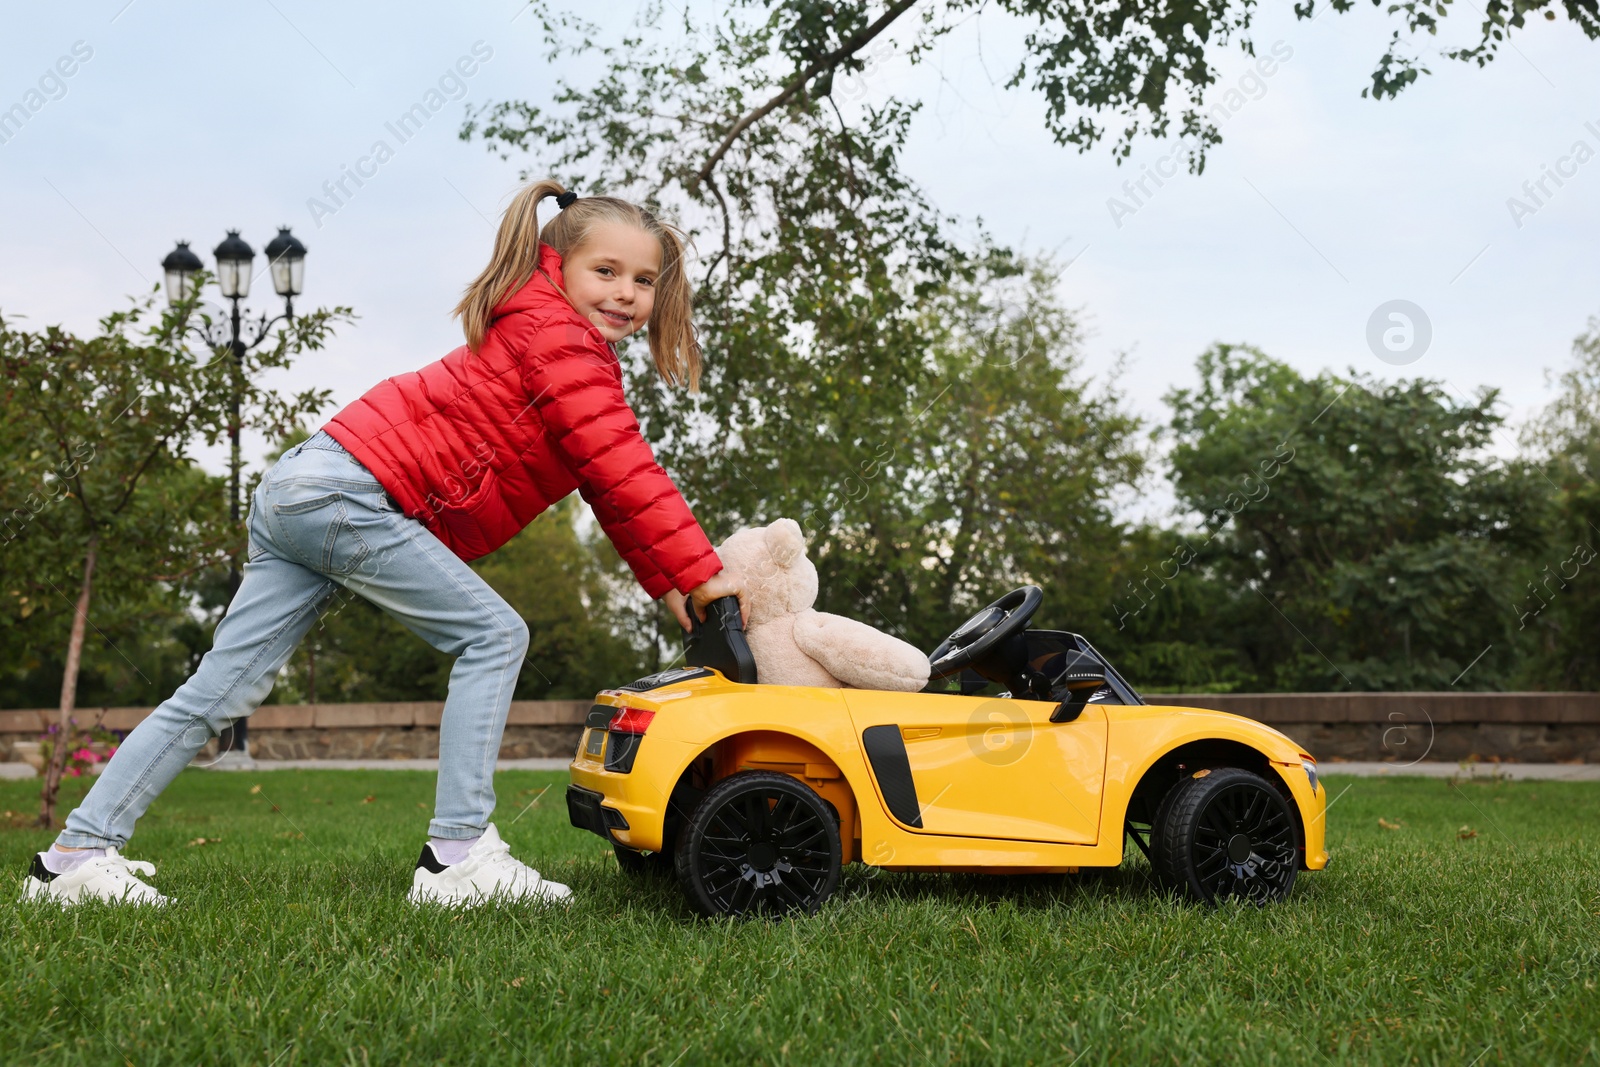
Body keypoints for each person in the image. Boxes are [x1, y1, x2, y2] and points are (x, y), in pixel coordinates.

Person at [21, 181, 744, 907]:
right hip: (345, 496)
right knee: (493, 633)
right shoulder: (559, 337)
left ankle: (73, 857)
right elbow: (623, 462)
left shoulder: (543, 330)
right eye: (606, 272)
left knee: (219, 688)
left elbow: (607, 482)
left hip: (306, 488)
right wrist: (700, 572)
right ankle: (457, 855)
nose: (625, 293)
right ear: (555, 266)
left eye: (644, 280)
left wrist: (671, 583)